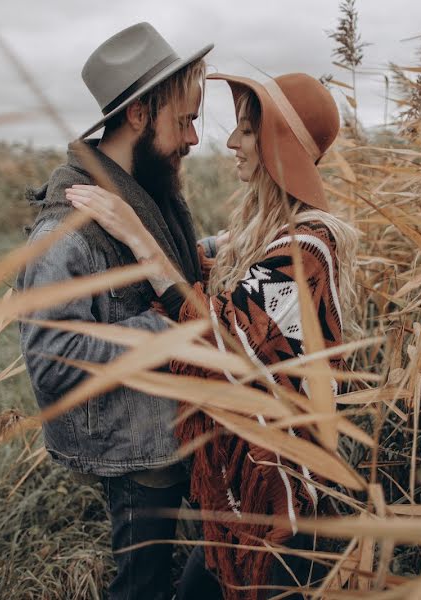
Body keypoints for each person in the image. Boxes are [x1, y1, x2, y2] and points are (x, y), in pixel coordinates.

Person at [67, 72, 360, 599]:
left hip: (283, 498)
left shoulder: (307, 250)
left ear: (276, 145)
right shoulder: (263, 233)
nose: (229, 142)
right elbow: (210, 279)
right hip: (246, 482)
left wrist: (137, 235)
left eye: (246, 131)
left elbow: (220, 343)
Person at [15, 22, 213, 600]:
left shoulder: (146, 195)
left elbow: (169, 263)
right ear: (139, 115)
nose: (195, 138)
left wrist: (228, 252)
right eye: (185, 120)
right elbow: (53, 365)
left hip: (178, 427)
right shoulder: (66, 230)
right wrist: (170, 326)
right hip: (136, 450)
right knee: (142, 587)